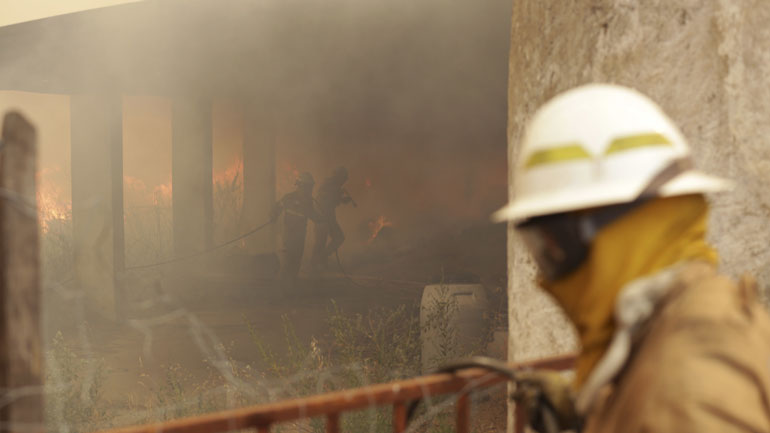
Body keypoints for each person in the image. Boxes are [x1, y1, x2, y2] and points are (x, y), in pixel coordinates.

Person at [494, 83, 770, 432]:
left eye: (555, 245)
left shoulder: (686, 388)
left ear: (622, 233)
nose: (545, 276)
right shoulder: (696, 313)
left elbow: (670, 403)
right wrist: (585, 410)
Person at [271, 172, 322, 289]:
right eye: (308, 187)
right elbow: (277, 207)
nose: (310, 190)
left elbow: (312, 215)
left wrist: (322, 219)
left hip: (300, 236)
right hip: (289, 235)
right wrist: (273, 215)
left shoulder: (308, 201)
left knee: (296, 261)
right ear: (300, 186)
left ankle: (291, 286)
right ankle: (282, 287)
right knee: (288, 261)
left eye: (310, 187)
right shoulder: (288, 198)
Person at [311, 166, 355, 270]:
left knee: (330, 239)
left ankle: (319, 260)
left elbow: (332, 200)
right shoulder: (331, 186)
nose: (345, 180)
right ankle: (316, 263)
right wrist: (342, 200)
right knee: (324, 241)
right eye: (344, 178)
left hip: (326, 218)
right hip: (323, 218)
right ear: (339, 176)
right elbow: (327, 201)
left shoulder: (331, 185)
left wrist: (342, 199)